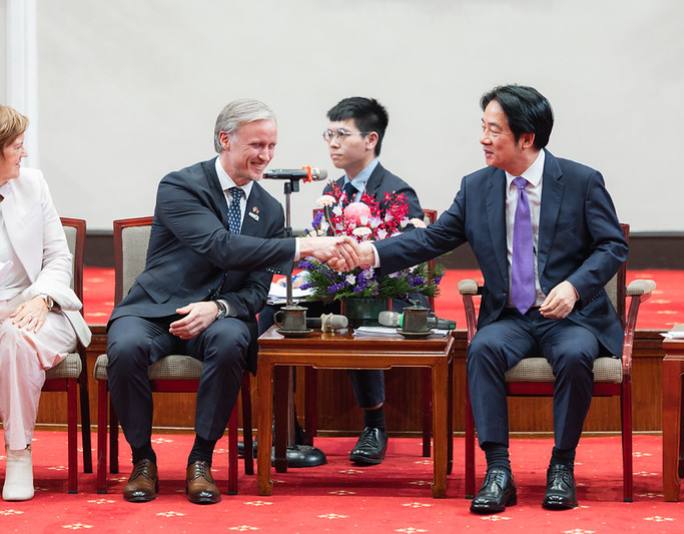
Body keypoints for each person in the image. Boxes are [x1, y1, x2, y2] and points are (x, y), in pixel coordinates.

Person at [349, 85, 628, 513]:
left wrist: (574, 287)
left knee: (574, 356)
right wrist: (373, 254)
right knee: (481, 349)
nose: (483, 138)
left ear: (526, 138)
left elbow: (612, 246)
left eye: (493, 130)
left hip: (570, 318)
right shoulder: (477, 187)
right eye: (483, 127)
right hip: (510, 315)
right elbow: (434, 238)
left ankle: (562, 466)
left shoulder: (579, 181)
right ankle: (498, 470)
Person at [105, 99, 356, 505]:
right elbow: (219, 247)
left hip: (218, 315)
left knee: (232, 340)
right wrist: (306, 246)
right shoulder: (180, 185)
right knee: (126, 345)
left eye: (272, 146)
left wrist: (218, 308)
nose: (266, 155)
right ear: (225, 139)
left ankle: (201, 460)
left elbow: (257, 291)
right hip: (155, 308)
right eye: (257, 144)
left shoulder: (269, 210)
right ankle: (143, 461)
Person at [322, 96, 424, 465]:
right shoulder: (331, 192)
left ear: (370, 140)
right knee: (279, 313)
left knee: (361, 312)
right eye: (328, 134)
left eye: (342, 134)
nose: (332, 143)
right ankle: (285, 428)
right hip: (341, 286)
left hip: (391, 291)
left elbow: (412, 258)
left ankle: (375, 425)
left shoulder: (397, 192)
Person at [0, 105, 91, 501]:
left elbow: (58, 257)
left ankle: (19, 455)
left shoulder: (33, 184)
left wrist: (42, 296)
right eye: (17, 147)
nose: (24, 154)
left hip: (40, 309)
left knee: (14, 339)